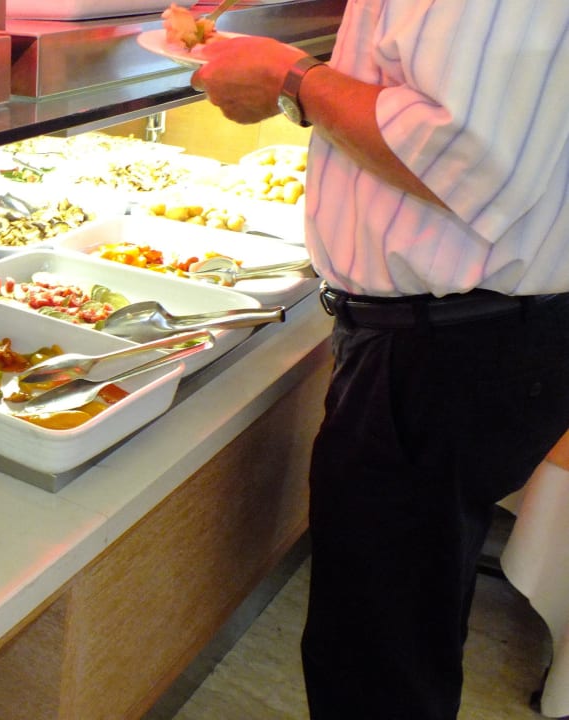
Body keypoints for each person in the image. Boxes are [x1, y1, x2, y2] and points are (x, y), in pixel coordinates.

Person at [190, 3, 569, 719]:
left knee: (375, 655)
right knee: (402, 616)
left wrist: (291, 78)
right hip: (461, 334)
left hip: (449, 345)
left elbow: (462, 158)